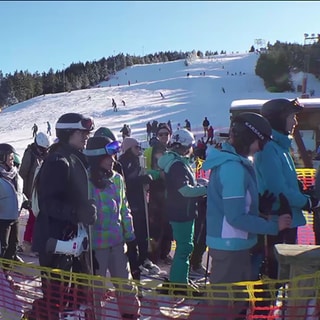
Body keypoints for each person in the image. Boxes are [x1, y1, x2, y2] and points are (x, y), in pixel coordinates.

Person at [198, 112, 292, 318]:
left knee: (234, 304)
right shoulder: (233, 168)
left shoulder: (236, 164)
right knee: (220, 308)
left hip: (235, 245)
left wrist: (260, 212)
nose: (261, 148)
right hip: (230, 246)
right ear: (249, 138)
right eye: (261, 142)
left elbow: (237, 209)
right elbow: (235, 218)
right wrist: (273, 225)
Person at [30, 113, 97, 319]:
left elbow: (75, 194)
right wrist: (77, 212)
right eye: (82, 132)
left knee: (73, 296)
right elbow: (48, 202)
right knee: (57, 298)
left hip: (71, 238)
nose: (86, 136)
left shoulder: (74, 158)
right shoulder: (58, 161)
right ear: (69, 133)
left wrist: (87, 206)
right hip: (56, 241)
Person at [254, 98, 319, 279]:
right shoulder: (269, 150)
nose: (295, 122)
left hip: (288, 219)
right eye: (292, 117)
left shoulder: (280, 148)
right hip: (278, 220)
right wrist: (307, 201)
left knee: (286, 274)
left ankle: (276, 304)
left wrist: (302, 192)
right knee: (276, 275)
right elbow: (278, 190)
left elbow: (286, 185)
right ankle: (269, 306)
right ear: (278, 119)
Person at [84, 136, 140, 320]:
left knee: (125, 284)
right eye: (108, 157)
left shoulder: (117, 179)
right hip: (95, 246)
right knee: (96, 290)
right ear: (97, 157)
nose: (113, 160)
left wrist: (130, 237)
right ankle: (95, 316)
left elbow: (124, 209)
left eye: (114, 156)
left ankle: (130, 315)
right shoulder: (86, 181)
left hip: (117, 243)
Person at [157, 129, 207, 294]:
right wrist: (206, 189)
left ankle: (179, 280)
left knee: (184, 248)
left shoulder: (176, 162)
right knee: (185, 248)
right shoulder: (178, 165)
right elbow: (184, 190)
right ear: (186, 146)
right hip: (182, 213)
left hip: (180, 211)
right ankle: (179, 284)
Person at [118, 137, 161, 276]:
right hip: (132, 202)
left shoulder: (138, 159)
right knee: (136, 232)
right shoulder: (124, 161)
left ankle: (144, 258)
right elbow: (128, 181)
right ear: (129, 148)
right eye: (136, 147)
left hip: (141, 201)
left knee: (143, 231)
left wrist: (146, 179)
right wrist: (141, 180)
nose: (139, 150)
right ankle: (135, 260)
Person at [144, 123, 173, 266]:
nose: (163, 137)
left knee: (168, 226)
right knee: (156, 227)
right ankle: (153, 257)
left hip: (170, 193)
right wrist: (160, 174)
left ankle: (164, 254)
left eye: (166, 134)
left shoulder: (172, 149)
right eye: (161, 134)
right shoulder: (153, 150)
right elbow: (150, 170)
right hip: (157, 193)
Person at [19, 132, 51, 256]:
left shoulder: (45, 156)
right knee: (33, 219)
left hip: (41, 192)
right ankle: (27, 243)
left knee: (39, 219)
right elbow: (23, 174)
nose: (43, 151)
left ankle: (35, 243)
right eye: (42, 149)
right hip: (32, 193)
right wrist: (24, 194)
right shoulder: (30, 155)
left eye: (45, 149)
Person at [0, 144, 24, 288]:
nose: (12, 160)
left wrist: (26, 202)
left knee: (13, 245)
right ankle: (2, 277)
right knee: (3, 246)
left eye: (12, 157)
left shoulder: (15, 173)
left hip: (15, 216)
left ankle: (6, 272)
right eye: (9, 157)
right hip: (2, 219)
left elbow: (18, 192)